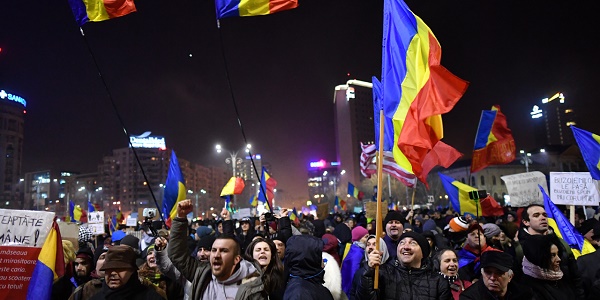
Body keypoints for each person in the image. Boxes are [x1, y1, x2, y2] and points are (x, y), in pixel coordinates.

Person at [168, 199, 265, 299]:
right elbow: (177, 254)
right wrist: (180, 218)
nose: (217, 255)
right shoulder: (202, 274)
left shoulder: (252, 288)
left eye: (224, 251)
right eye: (214, 250)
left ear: (236, 259)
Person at [357, 231, 451, 300]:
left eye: (413, 243)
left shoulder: (438, 281)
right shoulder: (382, 273)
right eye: (402, 243)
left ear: (423, 253)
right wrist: (368, 272)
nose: (406, 247)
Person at [517, 204, 585, 297]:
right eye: (536, 215)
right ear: (526, 222)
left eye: (545, 215)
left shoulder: (561, 243)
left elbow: (574, 276)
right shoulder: (519, 248)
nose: (543, 218)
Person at [89, 245, 165, 300]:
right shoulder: (96, 297)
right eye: (108, 269)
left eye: (119, 268)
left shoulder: (151, 297)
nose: (113, 273)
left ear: (132, 270)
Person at [521, 234, 577, 300]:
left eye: (558, 254)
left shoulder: (560, 277)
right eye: (552, 255)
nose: (559, 259)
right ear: (538, 258)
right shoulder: (529, 289)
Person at [459, 250, 533, 300]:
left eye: (499, 273)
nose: (492, 277)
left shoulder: (524, 293)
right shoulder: (469, 297)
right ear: (482, 273)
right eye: (488, 272)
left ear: (510, 276)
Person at [283, 235, 334, 300]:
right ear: (310, 260)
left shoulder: (309, 284)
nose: (323, 261)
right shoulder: (299, 293)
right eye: (320, 257)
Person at [348, 235, 389, 300]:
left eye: (374, 244)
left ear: (382, 248)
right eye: (368, 244)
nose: (370, 247)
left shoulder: (391, 271)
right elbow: (353, 295)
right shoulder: (360, 272)